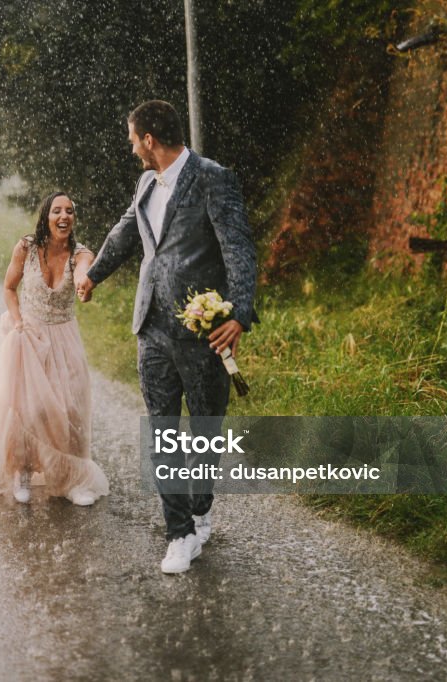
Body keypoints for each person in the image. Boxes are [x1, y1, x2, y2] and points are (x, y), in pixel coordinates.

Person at [77, 100, 257, 573]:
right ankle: (178, 533)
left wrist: (239, 313)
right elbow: (126, 230)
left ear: (150, 139)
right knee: (161, 430)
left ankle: (200, 510)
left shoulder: (213, 178)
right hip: (150, 327)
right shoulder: (145, 182)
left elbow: (238, 247)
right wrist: (95, 273)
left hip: (201, 331)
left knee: (204, 430)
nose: (131, 146)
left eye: (133, 138)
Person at [0, 192, 110, 506]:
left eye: (70, 211)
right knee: (28, 409)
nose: (64, 216)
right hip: (28, 335)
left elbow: (83, 274)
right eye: (57, 211)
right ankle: (21, 472)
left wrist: (83, 285)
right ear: (46, 217)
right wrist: (18, 320)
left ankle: (73, 480)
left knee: (72, 408)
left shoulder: (81, 254)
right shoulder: (26, 247)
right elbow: (9, 288)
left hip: (65, 336)